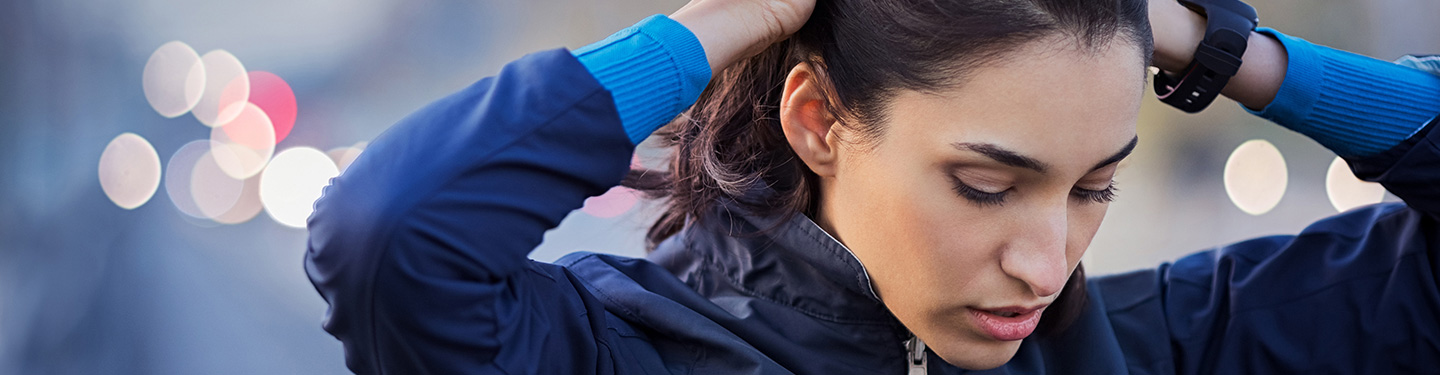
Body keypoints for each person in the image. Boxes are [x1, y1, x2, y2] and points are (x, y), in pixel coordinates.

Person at [304, 0, 1440, 373]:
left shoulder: (1140, 346)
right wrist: (715, 25)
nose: (1050, 266)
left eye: (1092, 187)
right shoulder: (616, 352)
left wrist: (1215, 45)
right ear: (818, 121)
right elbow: (391, 235)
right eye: (988, 186)